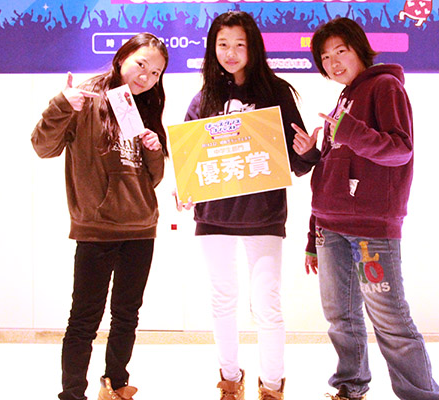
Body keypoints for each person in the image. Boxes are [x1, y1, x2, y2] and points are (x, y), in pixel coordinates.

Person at [291, 18, 439, 400]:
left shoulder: (385, 86)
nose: (333, 62)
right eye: (325, 57)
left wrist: (346, 131)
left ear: (360, 49)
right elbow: (332, 171)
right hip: (330, 229)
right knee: (340, 318)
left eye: (340, 51)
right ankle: (350, 387)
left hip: (371, 230)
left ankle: (423, 395)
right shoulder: (344, 98)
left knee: (390, 320)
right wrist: (312, 157)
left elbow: (399, 150)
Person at [179, 10, 318, 400]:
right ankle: (229, 381)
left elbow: (296, 162)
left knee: (267, 305)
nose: (231, 52)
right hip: (214, 218)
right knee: (222, 301)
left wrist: (308, 152)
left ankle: (272, 387)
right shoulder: (204, 97)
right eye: (222, 44)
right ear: (212, 49)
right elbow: (190, 159)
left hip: (263, 216)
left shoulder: (276, 93)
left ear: (253, 47)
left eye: (239, 44)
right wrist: (184, 187)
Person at [31, 33, 169, 400]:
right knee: (84, 319)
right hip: (97, 229)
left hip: (141, 228)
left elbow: (152, 178)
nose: (146, 77)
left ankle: (116, 385)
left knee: (127, 315)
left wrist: (154, 150)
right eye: (141, 64)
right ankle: (73, 393)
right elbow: (43, 147)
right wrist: (62, 105)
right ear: (122, 57)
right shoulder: (87, 97)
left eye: (156, 73)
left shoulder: (146, 104)